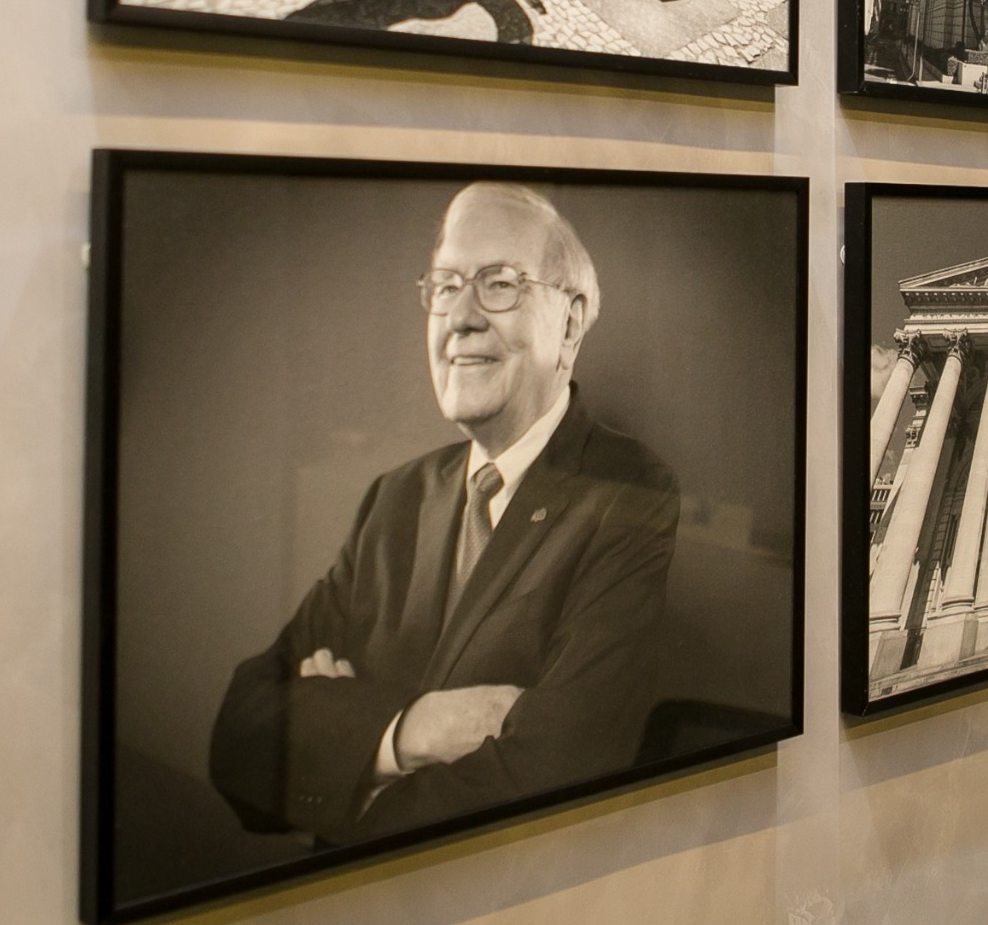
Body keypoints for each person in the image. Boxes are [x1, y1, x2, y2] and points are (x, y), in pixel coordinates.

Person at [208, 183, 680, 845]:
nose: (460, 316)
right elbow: (238, 735)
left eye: (499, 283)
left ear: (569, 325)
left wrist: (342, 753)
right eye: (446, 285)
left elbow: (557, 771)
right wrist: (411, 732)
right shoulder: (396, 498)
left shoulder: (628, 490)